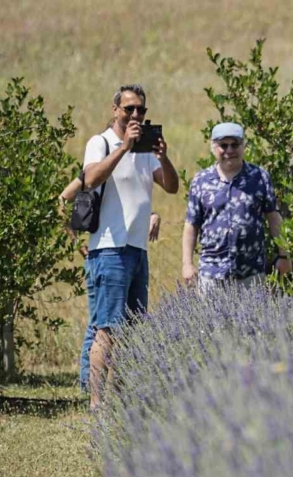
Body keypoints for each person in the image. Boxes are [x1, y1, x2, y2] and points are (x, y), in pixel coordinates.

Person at [82, 84, 179, 408]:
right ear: (115, 110)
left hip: (137, 250)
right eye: (129, 109)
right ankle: (97, 403)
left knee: (132, 331)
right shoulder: (100, 142)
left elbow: (171, 186)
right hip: (109, 248)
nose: (136, 114)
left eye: (141, 109)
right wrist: (123, 147)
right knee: (107, 328)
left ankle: (121, 400)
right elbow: (90, 179)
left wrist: (163, 157)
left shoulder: (145, 150)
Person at [60, 175, 160, 391]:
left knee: (110, 324)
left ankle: (102, 387)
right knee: (100, 324)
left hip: (124, 252)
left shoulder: (124, 171)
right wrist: (78, 245)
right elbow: (62, 201)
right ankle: (88, 386)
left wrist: (153, 215)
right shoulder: (95, 172)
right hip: (103, 255)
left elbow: (126, 209)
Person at [182, 122, 291, 293]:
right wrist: (187, 264)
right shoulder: (201, 181)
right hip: (211, 274)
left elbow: (274, 219)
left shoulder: (259, 177)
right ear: (213, 148)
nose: (229, 150)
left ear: (243, 146)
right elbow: (191, 225)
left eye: (235, 144)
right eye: (223, 145)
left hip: (251, 273)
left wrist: (284, 255)